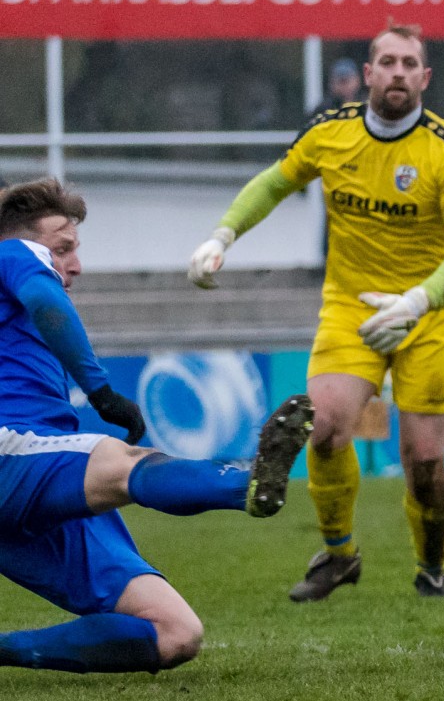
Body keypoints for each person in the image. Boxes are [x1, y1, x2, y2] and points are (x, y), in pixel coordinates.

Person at [187, 23, 444, 602]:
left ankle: (432, 564)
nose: (398, 72)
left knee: (424, 462)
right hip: (351, 305)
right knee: (324, 428)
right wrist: (223, 235)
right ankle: (339, 555)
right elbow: (276, 183)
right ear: (366, 75)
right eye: (387, 62)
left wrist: (420, 299)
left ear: (424, 78)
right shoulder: (330, 133)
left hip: (430, 313)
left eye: (409, 64)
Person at [0, 177, 313, 675]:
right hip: (11, 456)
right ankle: (246, 483)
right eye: (64, 249)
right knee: (124, 464)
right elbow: (45, 299)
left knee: (177, 633)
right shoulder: (12, 251)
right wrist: (100, 391)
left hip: (36, 488)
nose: (75, 265)